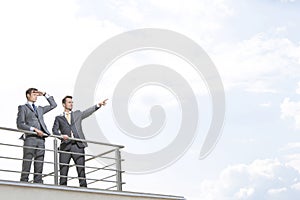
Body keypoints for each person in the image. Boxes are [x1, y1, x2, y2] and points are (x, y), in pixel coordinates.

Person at [52, 96, 108, 187]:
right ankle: (62, 189)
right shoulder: (58, 118)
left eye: (72, 102)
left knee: (81, 169)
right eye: (69, 102)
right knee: (63, 170)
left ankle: (83, 188)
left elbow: (87, 112)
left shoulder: (77, 114)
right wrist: (61, 136)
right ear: (64, 104)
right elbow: (54, 131)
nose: (71, 104)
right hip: (65, 147)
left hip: (78, 146)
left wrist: (98, 105)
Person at [17, 88, 57, 183]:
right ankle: (24, 181)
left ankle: (38, 181)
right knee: (27, 160)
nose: (36, 96)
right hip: (30, 138)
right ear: (28, 95)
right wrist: (33, 129)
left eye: (36, 94)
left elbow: (53, 105)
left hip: (41, 139)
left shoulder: (40, 109)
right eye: (34, 94)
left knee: (40, 161)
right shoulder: (23, 108)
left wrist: (44, 94)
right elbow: (20, 124)